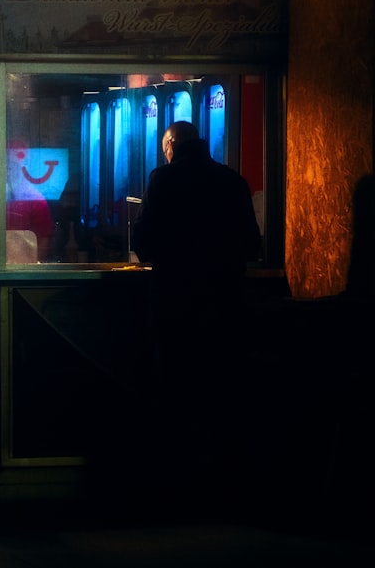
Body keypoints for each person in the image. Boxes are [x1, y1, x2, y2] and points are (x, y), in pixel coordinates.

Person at [130, 120, 261, 498]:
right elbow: (251, 243)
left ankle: (178, 480)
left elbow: (145, 238)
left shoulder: (163, 180)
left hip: (175, 301)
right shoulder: (232, 181)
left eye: (164, 148)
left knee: (175, 389)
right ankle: (222, 480)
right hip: (225, 304)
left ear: (170, 144)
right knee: (220, 392)